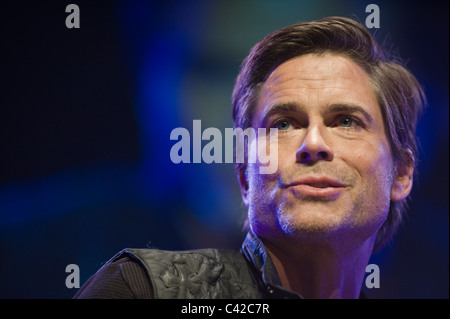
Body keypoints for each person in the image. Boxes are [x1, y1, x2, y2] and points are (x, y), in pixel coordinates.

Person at [74, 16, 425, 299]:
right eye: (284, 123)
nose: (313, 143)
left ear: (401, 174)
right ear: (244, 176)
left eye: (346, 121)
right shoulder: (141, 290)